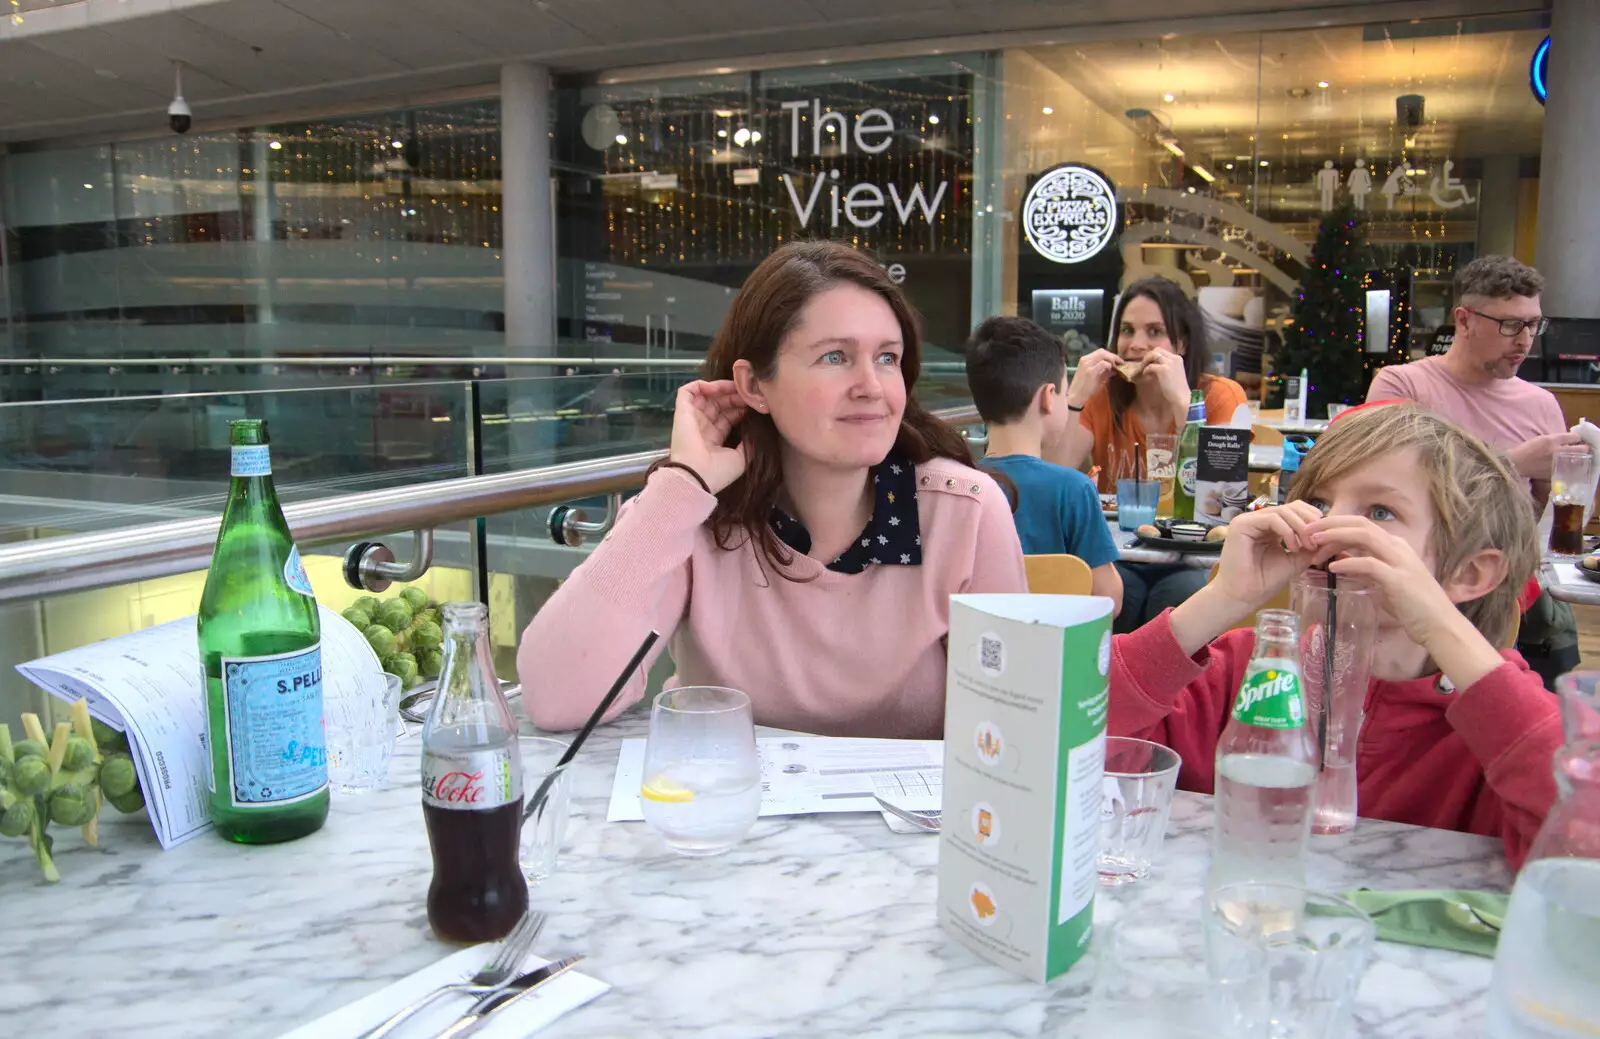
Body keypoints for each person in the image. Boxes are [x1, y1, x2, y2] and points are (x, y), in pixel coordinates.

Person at [518, 241, 1028, 740]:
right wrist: (679, 489)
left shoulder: (965, 512)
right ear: (754, 386)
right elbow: (557, 700)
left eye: (888, 358)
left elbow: (1009, 732)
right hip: (721, 814)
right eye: (834, 356)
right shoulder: (690, 515)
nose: (872, 385)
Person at [1108, 403, 1562, 866]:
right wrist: (1224, 598)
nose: (1323, 529)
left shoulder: (1504, 725)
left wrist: (1440, 623)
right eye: (1320, 504)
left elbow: (1578, 844)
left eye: (1381, 511)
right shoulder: (1243, 671)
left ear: (1469, 572)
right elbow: (1077, 743)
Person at [1367, 255, 1583, 686]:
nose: (1524, 340)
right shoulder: (1402, 384)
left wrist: (1566, 479)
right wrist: (1514, 462)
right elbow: (1382, 484)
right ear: (1463, 321)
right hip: (1417, 571)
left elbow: (1545, 517)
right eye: (1509, 325)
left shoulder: (1541, 404)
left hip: (1507, 580)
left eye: (1533, 324)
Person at [1055, 276, 1248, 631]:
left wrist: (1182, 403)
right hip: (1118, 555)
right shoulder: (1103, 397)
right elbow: (1055, 473)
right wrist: (1075, 398)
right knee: (1111, 601)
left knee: (1177, 598)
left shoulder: (1222, 395)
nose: (1136, 345)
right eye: (1127, 330)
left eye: (1154, 331)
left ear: (1182, 342)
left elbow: (1219, 497)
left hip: (1193, 559)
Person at [964, 316, 1123, 613]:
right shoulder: (1074, 489)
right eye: (1064, 390)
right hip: (1059, 652)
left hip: (982, 648)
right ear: (1049, 398)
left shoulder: (962, 486)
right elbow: (1109, 600)